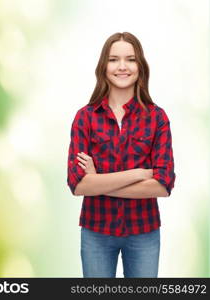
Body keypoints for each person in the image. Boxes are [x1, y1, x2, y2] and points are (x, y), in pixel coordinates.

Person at [66, 32, 176, 278]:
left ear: (141, 67)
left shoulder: (157, 118)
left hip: (144, 232)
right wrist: (137, 174)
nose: (122, 66)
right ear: (104, 66)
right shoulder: (85, 117)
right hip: (96, 232)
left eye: (131, 59)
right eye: (114, 59)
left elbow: (163, 185)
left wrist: (99, 182)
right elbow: (78, 184)